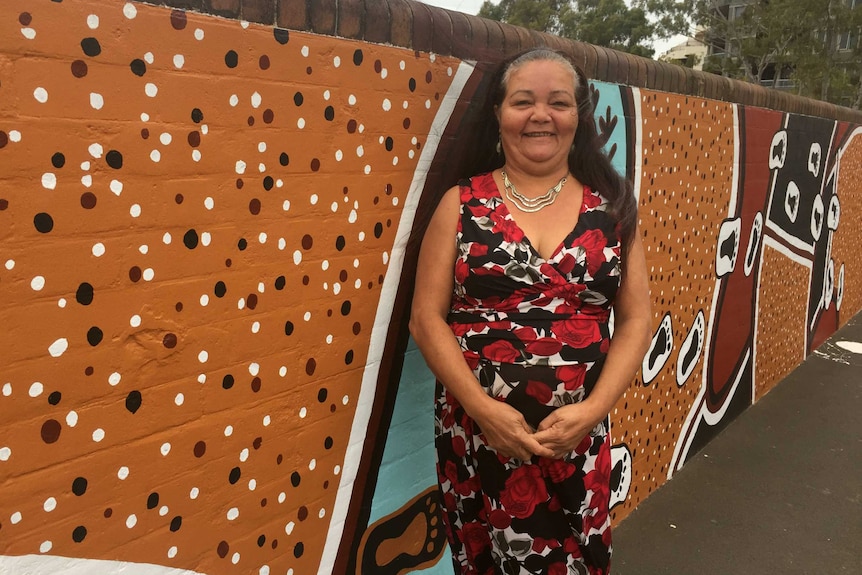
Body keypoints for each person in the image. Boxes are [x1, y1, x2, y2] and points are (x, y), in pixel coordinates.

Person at [409, 48, 651, 575]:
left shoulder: (612, 207)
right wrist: (483, 409)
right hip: (477, 434)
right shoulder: (461, 203)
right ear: (498, 113)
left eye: (558, 102)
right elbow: (426, 319)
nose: (541, 115)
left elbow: (636, 318)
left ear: (578, 116)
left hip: (577, 440)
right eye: (523, 101)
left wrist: (590, 414)